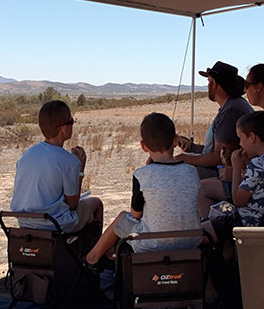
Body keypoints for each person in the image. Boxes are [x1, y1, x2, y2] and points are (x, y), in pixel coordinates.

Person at [84, 112, 200, 270]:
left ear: (144, 146)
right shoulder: (192, 171)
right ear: (175, 141)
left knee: (122, 218)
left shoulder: (142, 175)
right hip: (191, 241)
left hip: (152, 243)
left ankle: (91, 259)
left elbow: (136, 214)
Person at [10, 100, 103, 234]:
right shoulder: (69, 161)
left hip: (24, 222)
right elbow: (73, 204)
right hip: (54, 224)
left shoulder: (26, 156)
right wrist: (80, 170)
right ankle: (95, 253)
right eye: (72, 122)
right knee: (96, 203)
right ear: (64, 128)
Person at [202, 111, 264, 235]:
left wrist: (236, 167)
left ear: (252, 137)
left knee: (202, 231)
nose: (240, 144)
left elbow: (238, 200)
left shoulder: (257, 164)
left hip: (247, 221)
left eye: (241, 138)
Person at [176, 60, 252, 180]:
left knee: (172, 174)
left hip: (222, 174)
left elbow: (219, 157)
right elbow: (215, 150)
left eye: (209, 81)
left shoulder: (231, 111)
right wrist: (193, 147)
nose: (208, 86)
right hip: (221, 171)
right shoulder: (232, 106)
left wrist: (184, 158)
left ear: (214, 84)